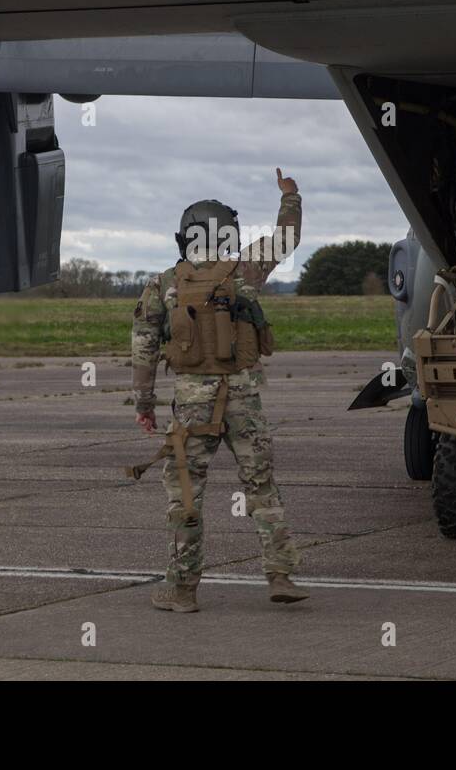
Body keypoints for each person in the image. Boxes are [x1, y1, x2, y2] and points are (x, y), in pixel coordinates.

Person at [129, 168, 309, 612]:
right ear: (228, 234)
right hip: (244, 401)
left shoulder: (163, 284)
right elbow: (287, 239)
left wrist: (144, 404)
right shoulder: (245, 270)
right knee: (262, 486)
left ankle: (183, 590)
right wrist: (291, 197)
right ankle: (280, 573)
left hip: (192, 408)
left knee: (186, 493)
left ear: (186, 234)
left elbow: (144, 349)